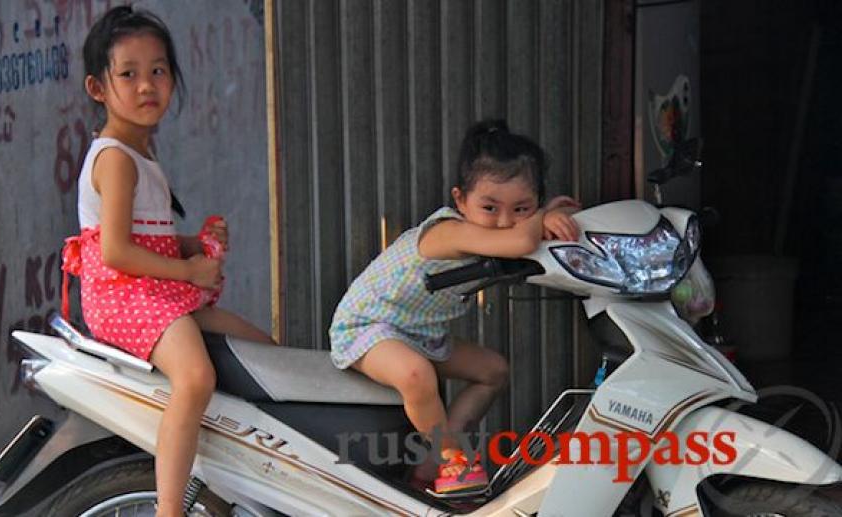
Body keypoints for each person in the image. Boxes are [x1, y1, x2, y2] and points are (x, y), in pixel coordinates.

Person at [60, 6, 275, 516]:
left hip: (154, 291)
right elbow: (114, 252)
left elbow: (144, 239)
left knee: (265, 353)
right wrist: (188, 270)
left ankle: (232, 479)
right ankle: (170, 508)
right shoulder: (115, 158)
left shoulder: (140, 153)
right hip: (125, 297)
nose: (146, 85)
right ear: (97, 88)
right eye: (128, 74)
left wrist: (191, 246)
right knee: (196, 377)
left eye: (158, 70)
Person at [328, 119, 580, 493]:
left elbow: (529, 239)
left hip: (418, 333)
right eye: (490, 207)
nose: (504, 221)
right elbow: (521, 242)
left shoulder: (502, 229)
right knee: (416, 375)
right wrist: (543, 215)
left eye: (521, 208)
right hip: (368, 327)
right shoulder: (450, 231)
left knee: (493, 370)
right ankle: (452, 462)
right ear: (460, 200)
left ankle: (434, 457)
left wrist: (555, 219)